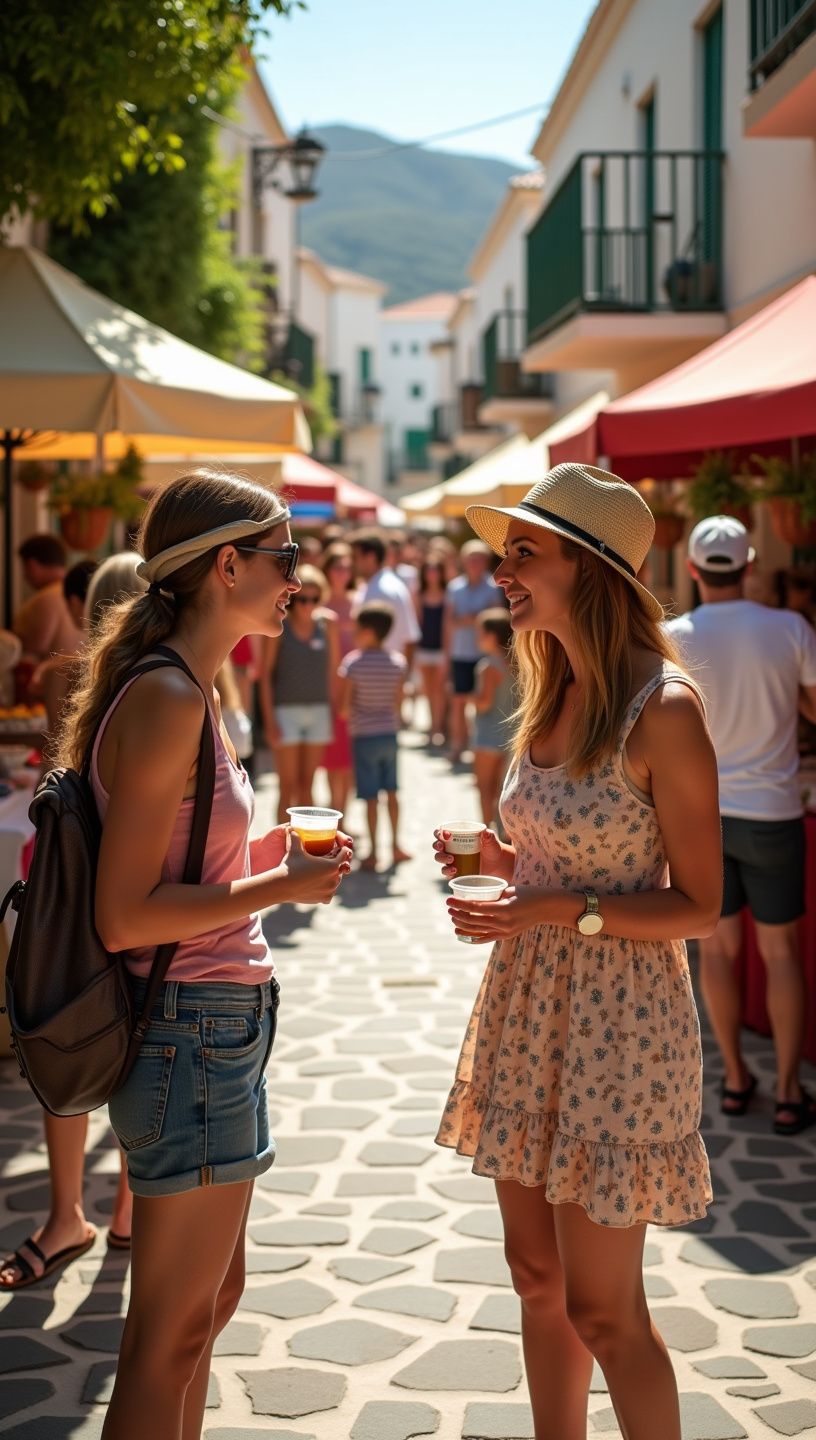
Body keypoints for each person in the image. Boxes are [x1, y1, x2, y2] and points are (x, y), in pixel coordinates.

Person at [49, 469, 351, 1440]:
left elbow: (174, 862)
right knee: (171, 1334)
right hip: (189, 1031)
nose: (297, 581)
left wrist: (258, 858)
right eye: (285, 560)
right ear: (230, 566)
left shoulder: (188, 689)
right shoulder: (170, 697)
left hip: (215, 1027)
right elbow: (125, 916)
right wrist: (280, 887)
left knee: (209, 1308)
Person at [433, 464, 721, 1440]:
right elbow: (569, 851)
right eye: (503, 551)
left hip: (622, 1030)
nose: (499, 570)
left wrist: (556, 908)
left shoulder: (665, 710)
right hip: (531, 1008)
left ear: (590, 571)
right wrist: (509, 864)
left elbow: (699, 904)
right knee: (536, 1278)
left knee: (606, 1309)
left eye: (524, 553)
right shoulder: (551, 683)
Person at [1, 555, 149, 1292]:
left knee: (63, 1034)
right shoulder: (170, 688)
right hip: (127, 879)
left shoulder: (72, 677)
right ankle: (124, 1211)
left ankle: (67, 1214)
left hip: (59, 873)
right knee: (131, 1031)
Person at [667, 515, 816, 1135]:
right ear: (749, 564)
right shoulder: (789, 627)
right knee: (778, 953)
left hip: (702, 819)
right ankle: (786, 1090)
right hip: (775, 810)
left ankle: (733, 1079)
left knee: (717, 951)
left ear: (696, 569)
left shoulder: (670, 633)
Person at [258, 564, 339, 823]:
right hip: (285, 712)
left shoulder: (329, 625)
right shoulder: (280, 626)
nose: (308, 605)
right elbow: (265, 676)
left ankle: (308, 848)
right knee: (287, 786)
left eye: (314, 599)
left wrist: (335, 712)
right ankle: (279, 847)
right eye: (303, 599)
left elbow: (333, 672)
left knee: (308, 785)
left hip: (319, 710)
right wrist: (268, 720)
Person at [339, 601, 410, 871]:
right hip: (389, 734)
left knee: (370, 797)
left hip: (364, 736)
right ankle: (395, 845)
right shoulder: (397, 662)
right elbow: (398, 702)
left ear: (368, 631)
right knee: (392, 791)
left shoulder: (353, 663)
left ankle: (372, 851)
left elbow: (345, 707)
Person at [444, 539, 502, 760]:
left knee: (483, 702)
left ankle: (479, 745)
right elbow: (450, 622)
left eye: (479, 559)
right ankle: (458, 744)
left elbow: (496, 619)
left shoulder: (493, 587)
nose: (475, 563)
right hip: (461, 652)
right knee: (458, 701)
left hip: (484, 655)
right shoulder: (454, 587)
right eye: (471, 558)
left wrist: (469, 619)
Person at [321, 543, 357, 818]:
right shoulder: (318, 603)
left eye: (347, 567)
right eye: (338, 567)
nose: (343, 573)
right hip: (326, 685)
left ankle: (343, 810)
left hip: (354, 685)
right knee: (332, 755)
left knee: (350, 755)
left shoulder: (359, 601)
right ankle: (334, 808)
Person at [350, 529, 420, 666]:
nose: (352, 562)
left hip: (382, 675)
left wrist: (403, 680)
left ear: (370, 557)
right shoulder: (373, 586)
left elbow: (409, 640)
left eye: (355, 557)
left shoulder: (386, 589)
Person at [471, 607, 515, 826]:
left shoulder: (488, 666)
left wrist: (468, 699)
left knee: (485, 789)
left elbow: (485, 702)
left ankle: (486, 833)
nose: (477, 637)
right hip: (512, 735)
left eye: (480, 632)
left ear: (492, 636)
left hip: (488, 735)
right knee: (502, 790)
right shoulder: (517, 664)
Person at [13, 532, 84, 664]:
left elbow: (34, 648)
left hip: (50, 679)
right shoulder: (79, 593)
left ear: (31, 565)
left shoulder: (46, 598)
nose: (24, 576)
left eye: (25, 568)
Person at [415, 555, 449, 744]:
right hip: (424, 648)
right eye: (429, 570)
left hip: (440, 649)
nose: (432, 574)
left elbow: (447, 624)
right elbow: (417, 621)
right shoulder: (419, 594)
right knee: (428, 691)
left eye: (436, 570)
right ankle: (432, 727)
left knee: (440, 690)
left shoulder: (447, 594)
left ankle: (439, 727)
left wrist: (446, 650)